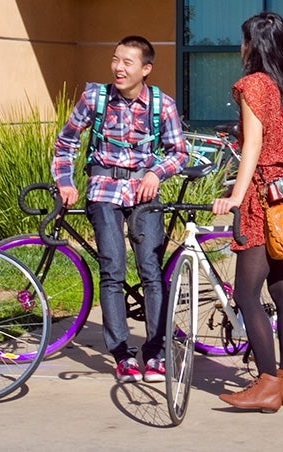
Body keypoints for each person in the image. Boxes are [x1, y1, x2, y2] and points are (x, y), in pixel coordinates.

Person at [53, 35, 188, 383]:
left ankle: (156, 352)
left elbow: (178, 153)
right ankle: (122, 354)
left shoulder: (163, 105)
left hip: (144, 193)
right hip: (104, 189)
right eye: (115, 60)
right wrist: (65, 181)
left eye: (127, 62)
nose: (118, 68)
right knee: (112, 269)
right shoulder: (95, 98)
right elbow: (66, 141)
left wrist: (156, 173)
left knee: (151, 272)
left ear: (146, 69)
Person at [211, 12, 283, 413]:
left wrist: (235, 195)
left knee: (247, 293)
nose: (241, 47)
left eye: (243, 40)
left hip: (260, 195)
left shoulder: (253, 85)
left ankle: (266, 383)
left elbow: (252, 146)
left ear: (253, 45)